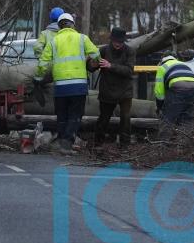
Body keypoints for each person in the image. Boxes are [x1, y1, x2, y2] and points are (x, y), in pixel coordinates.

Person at [36, 13, 101, 154]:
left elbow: (42, 62)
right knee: (75, 116)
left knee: (62, 116)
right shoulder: (82, 38)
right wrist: (93, 64)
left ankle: (61, 143)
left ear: (59, 26)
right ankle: (66, 145)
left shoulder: (54, 41)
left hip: (60, 87)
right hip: (78, 86)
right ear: (73, 24)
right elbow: (96, 53)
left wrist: (39, 77)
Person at [93, 27, 136, 148]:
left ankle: (125, 146)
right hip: (107, 90)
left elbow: (129, 70)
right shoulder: (103, 50)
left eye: (120, 42)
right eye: (115, 41)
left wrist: (110, 66)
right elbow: (91, 68)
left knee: (126, 118)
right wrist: (91, 62)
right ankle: (98, 143)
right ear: (111, 40)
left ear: (124, 41)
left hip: (125, 91)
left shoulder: (130, 51)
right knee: (103, 118)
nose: (117, 44)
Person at [154, 55, 194, 137]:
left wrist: (160, 107)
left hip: (177, 88)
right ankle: (183, 143)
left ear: (161, 61)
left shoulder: (162, 67)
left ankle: (163, 144)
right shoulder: (183, 64)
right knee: (188, 119)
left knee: (168, 118)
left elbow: (159, 92)